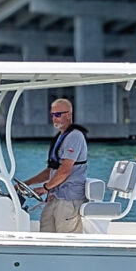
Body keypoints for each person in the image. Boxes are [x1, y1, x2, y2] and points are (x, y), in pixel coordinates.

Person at [22, 98, 88, 233]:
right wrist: (26, 183)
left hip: (69, 199)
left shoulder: (75, 136)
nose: (54, 118)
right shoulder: (60, 137)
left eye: (58, 114)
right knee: (46, 235)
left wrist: (46, 187)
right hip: (55, 197)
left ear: (69, 115)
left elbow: (65, 170)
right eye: (52, 115)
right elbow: (51, 170)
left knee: (67, 243)